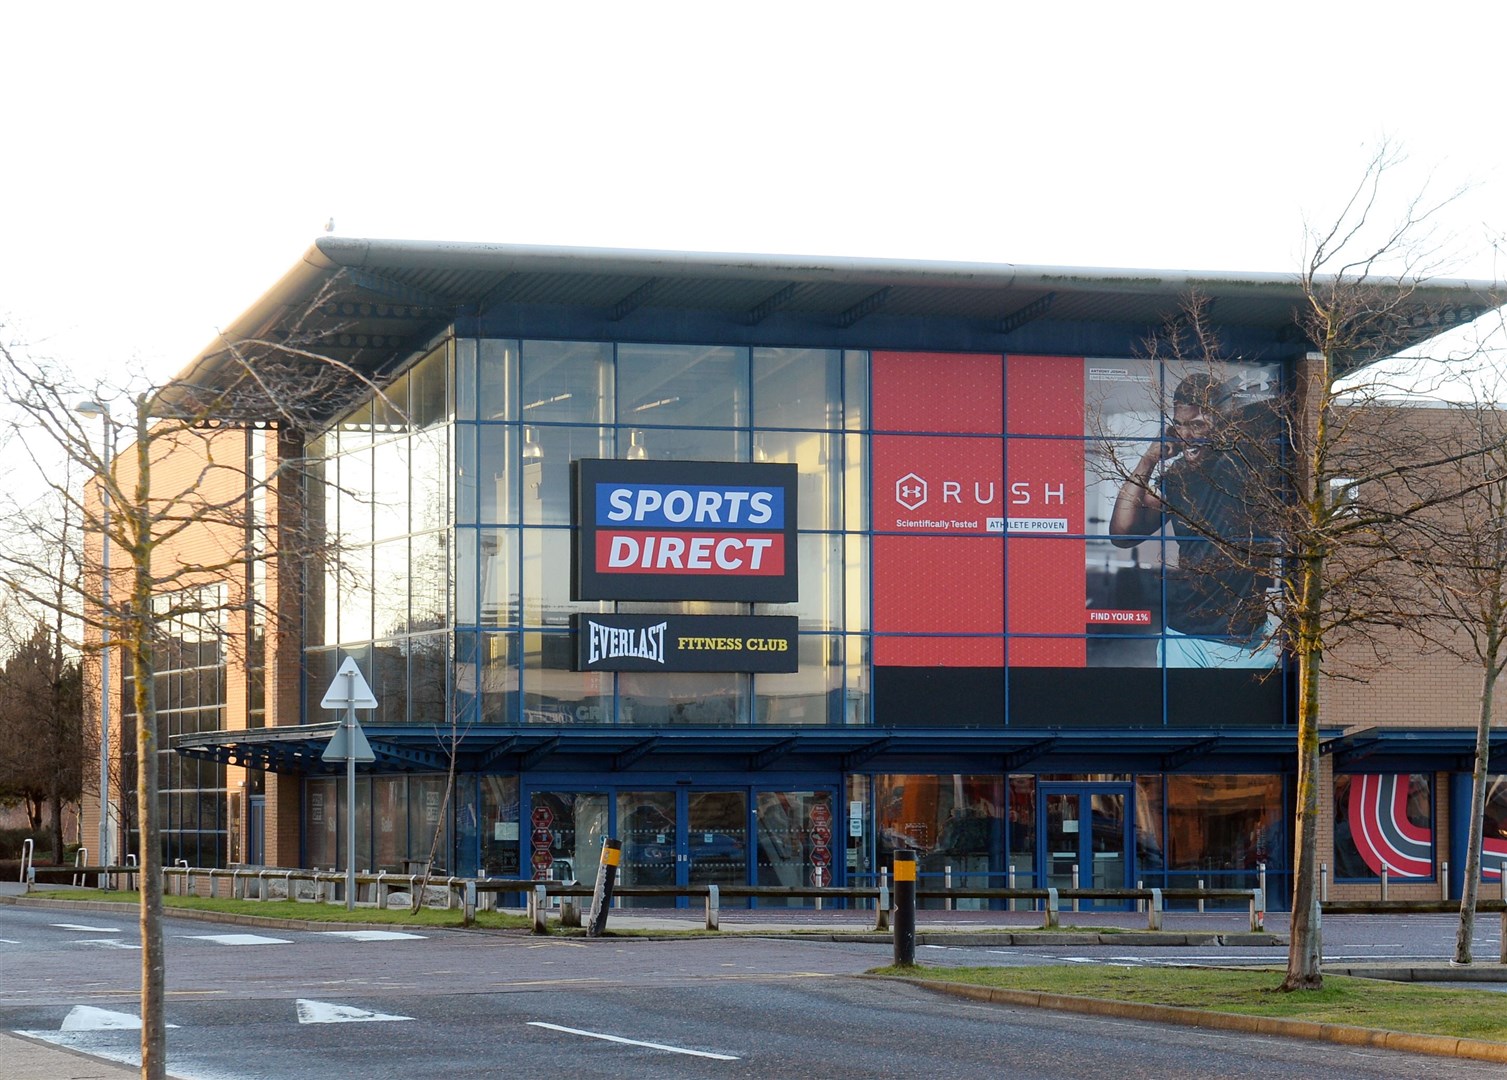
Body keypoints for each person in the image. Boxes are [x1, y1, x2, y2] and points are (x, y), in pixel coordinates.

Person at [1109, 372, 1276, 668]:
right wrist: (1149, 457)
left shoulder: (1253, 466)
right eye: (1180, 425)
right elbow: (1122, 533)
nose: (1186, 435)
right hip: (1184, 639)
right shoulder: (1178, 480)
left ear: (1224, 421)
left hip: (1245, 642)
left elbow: (1270, 409)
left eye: (1197, 424)